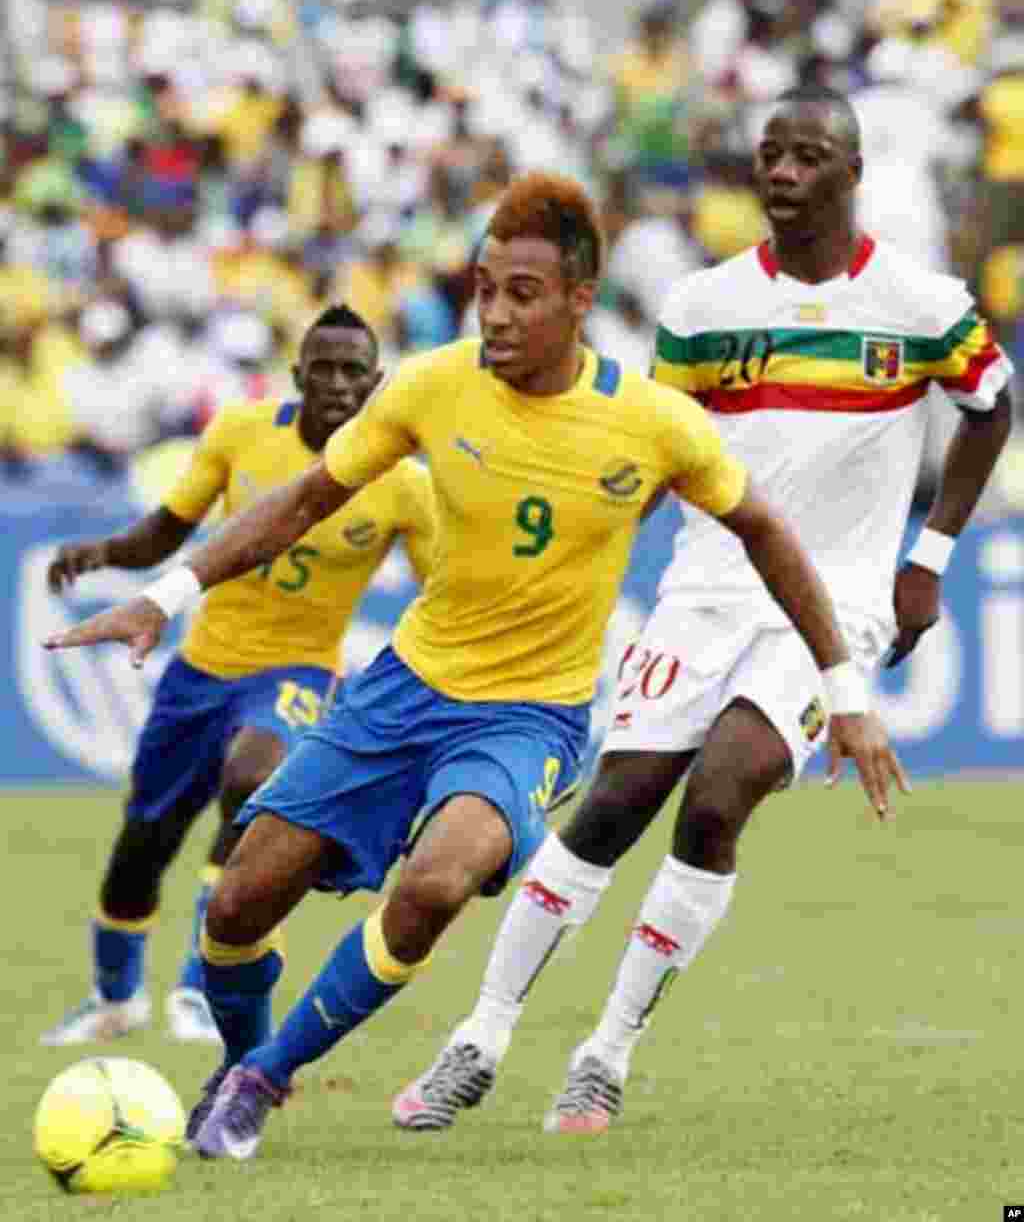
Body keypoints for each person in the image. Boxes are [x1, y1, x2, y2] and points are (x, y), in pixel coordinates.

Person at [45, 170, 902, 1162]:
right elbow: (304, 501)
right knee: (236, 904)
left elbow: (765, 531)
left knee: (438, 882)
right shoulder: (431, 384)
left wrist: (843, 689)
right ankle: (242, 1064)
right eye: (485, 289)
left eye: (521, 294)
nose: (494, 313)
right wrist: (164, 596)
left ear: (579, 300)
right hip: (402, 689)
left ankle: (261, 1078)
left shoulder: (652, 422)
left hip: (528, 719)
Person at [393, 89, 1014, 1136]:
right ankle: (480, 1037)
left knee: (719, 799)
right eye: (770, 154)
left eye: (806, 156)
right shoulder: (701, 307)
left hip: (837, 603)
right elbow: (650, 452)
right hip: (705, 591)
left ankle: (605, 1054)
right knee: (612, 805)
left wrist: (931, 556)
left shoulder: (922, 304)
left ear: (852, 174)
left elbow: (991, 408)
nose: (782, 173)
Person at [41, 304, 436, 1047]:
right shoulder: (239, 432)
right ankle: (115, 998)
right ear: (297, 373)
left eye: (354, 371)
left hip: (298, 672)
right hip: (200, 671)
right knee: (145, 841)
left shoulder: (403, 486)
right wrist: (104, 554)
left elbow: (439, 592)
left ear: (376, 382)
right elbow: (168, 529)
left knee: (255, 779)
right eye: (324, 367)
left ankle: (200, 985)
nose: (338, 383)